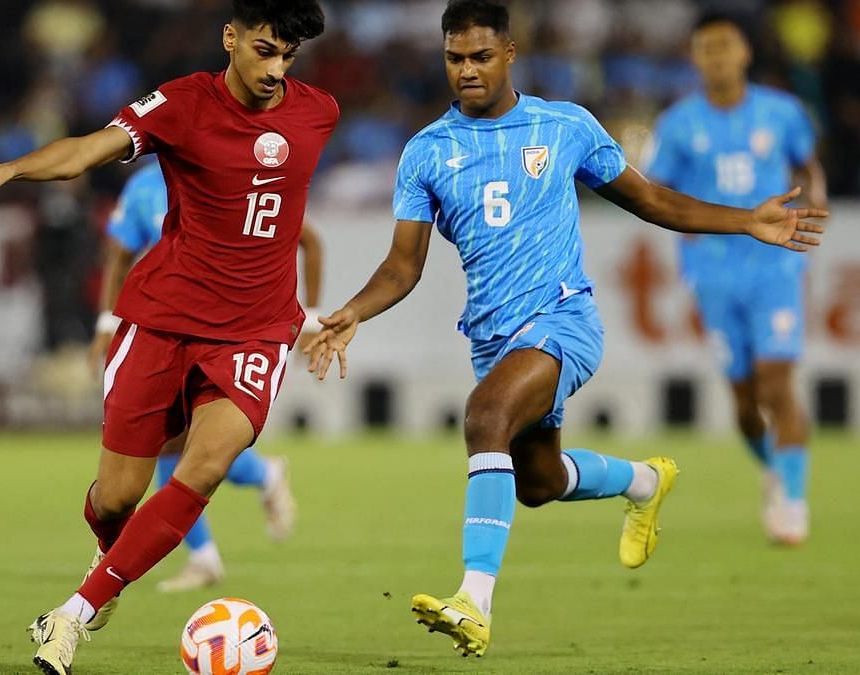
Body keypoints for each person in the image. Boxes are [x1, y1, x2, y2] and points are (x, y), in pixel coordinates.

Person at [304, 0, 825, 658]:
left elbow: (654, 200)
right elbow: (402, 266)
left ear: (510, 54)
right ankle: (643, 480)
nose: (467, 70)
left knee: (484, 415)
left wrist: (744, 218)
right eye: (455, 59)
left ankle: (473, 599)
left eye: (481, 57)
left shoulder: (564, 127)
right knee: (538, 481)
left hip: (563, 321)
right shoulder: (426, 153)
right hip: (495, 340)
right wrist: (352, 310)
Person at [0, 1, 336, 672]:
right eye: (265, 50)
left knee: (202, 467)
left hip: (255, 333)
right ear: (230, 38)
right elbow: (88, 150)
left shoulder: (318, 110)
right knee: (115, 498)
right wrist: (11, 170)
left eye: (288, 56)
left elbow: (300, 230)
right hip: (162, 320)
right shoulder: (180, 105)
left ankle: (73, 615)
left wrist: (311, 313)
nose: (277, 68)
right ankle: (109, 559)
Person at [89, 159, 327, 591]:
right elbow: (121, 254)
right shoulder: (144, 187)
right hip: (169, 333)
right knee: (179, 450)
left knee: (188, 450)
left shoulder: (232, 172)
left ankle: (206, 552)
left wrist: (309, 315)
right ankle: (257, 485)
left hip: (233, 336)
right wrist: (108, 324)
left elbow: (308, 239)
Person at [644, 13, 827, 546]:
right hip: (714, 274)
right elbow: (658, 193)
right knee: (745, 403)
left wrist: (816, 196)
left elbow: (807, 166)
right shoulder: (678, 124)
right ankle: (774, 467)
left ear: (746, 52)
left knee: (777, 384)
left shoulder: (783, 112)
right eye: (706, 48)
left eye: (726, 46)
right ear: (695, 57)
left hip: (776, 267)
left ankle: (792, 502)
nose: (717, 56)